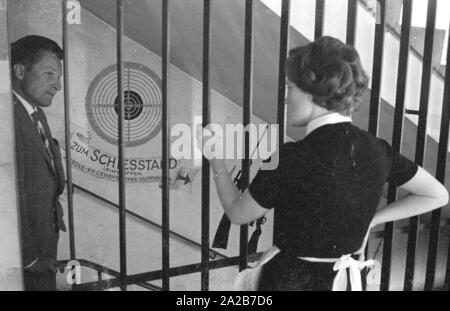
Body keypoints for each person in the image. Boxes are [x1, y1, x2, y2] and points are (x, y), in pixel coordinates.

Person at [198, 36, 449, 290]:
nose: (286, 98)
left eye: (290, 87)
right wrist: (372, 220)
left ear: (311, 91)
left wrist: (215, 159)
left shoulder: (288, 155)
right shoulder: (379, 150)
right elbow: (437, 195)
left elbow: (238, 213)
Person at [11, 35, 66, 291]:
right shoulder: (6, 116)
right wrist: (30, 256)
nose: (58, 85)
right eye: (50, 74)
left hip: (44, 246)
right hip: (23, 258)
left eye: (59, 77)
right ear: (20, 71)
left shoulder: (36, 113)